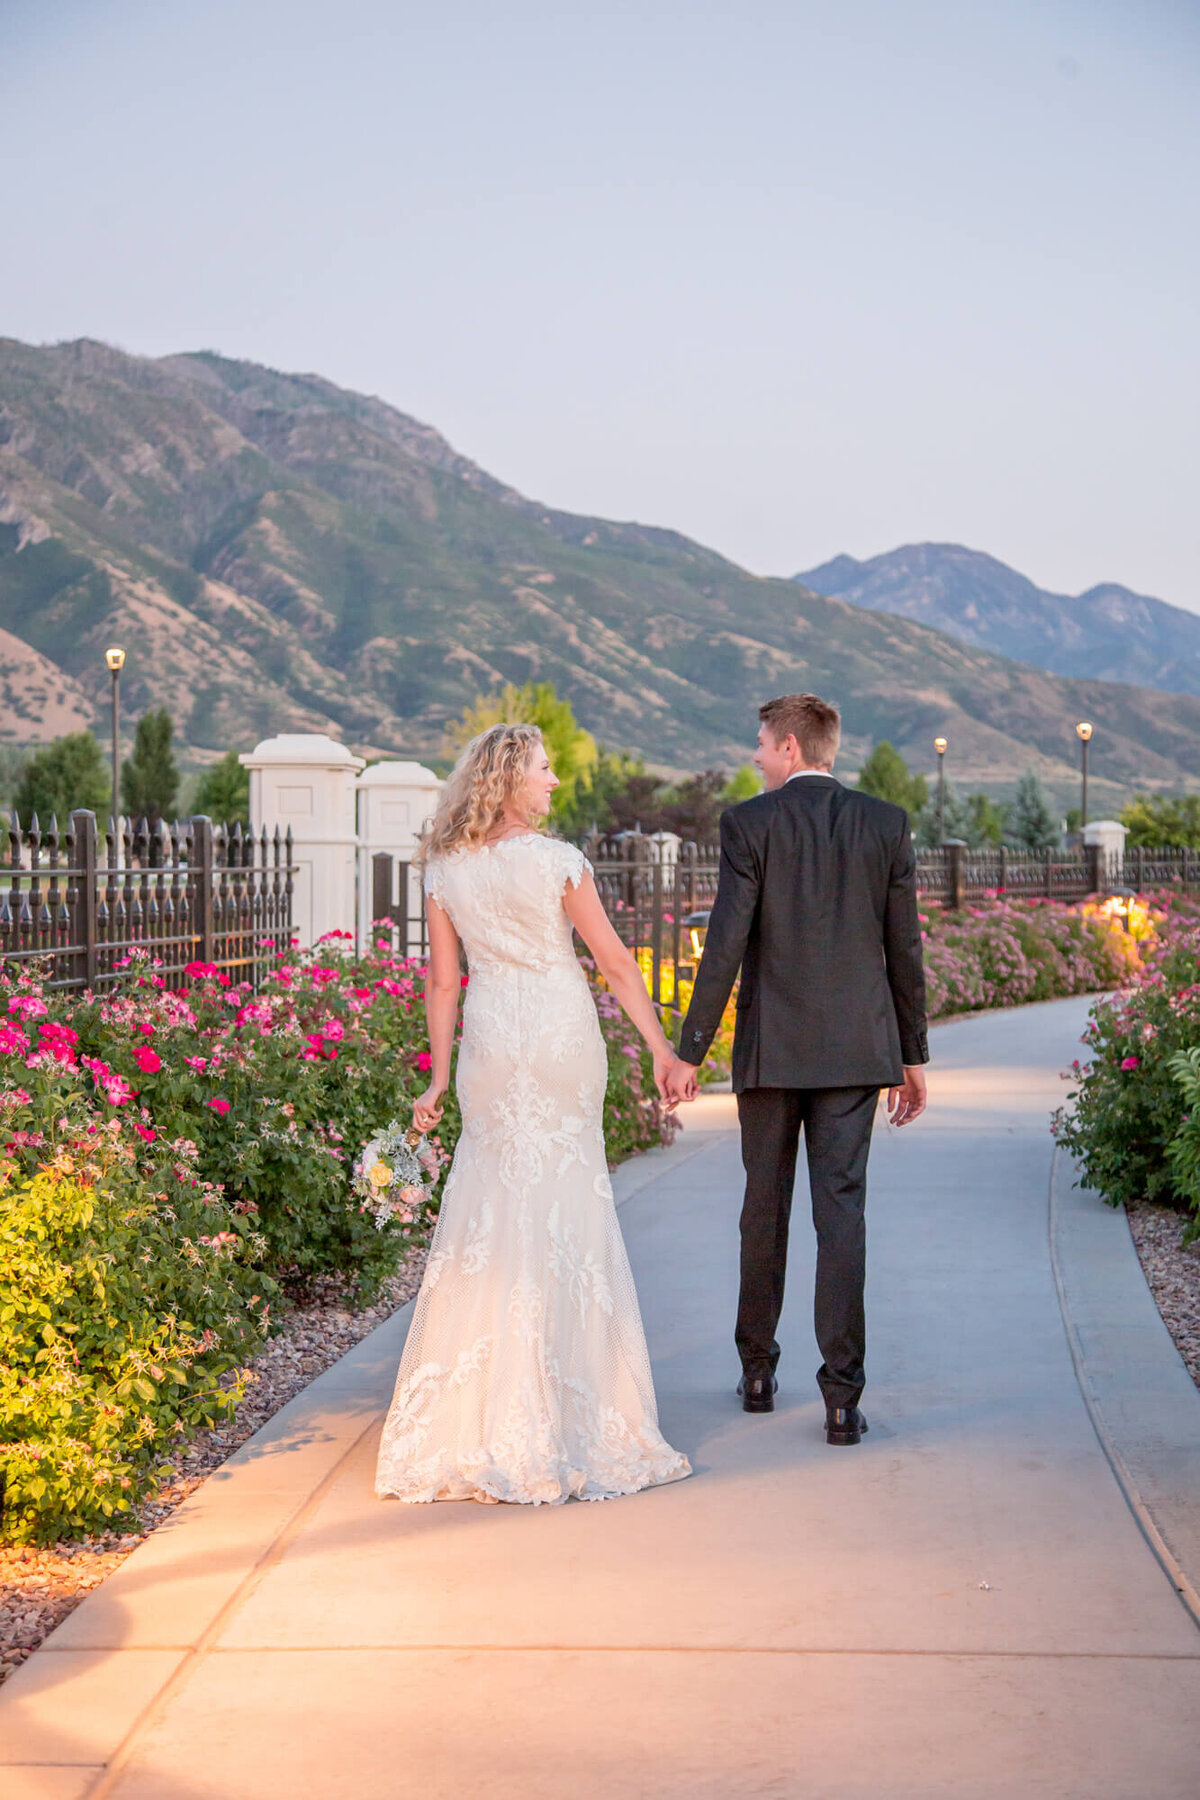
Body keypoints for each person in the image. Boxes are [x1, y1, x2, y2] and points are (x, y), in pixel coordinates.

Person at [375, 723, 691, 1505]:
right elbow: (615, 964)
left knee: (490, 1207)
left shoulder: (446, 869)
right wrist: (660, 1048)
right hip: (557, 1039)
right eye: (545, 771)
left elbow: (443, 985)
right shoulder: (558, 864)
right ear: (512, 779)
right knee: (568, 1205)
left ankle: (482, 1418)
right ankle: (570, 1412)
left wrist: (438, 1078)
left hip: (490, 1046)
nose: (554, 783)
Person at [666, 693, 928, 1445]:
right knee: (841, 1216)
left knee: (764, 1207)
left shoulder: (750, 823)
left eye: (759, 745)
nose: (754, 757)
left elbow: (724, 943)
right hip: (855, 1053)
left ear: (788, 746)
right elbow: (903, 951)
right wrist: (910, 1057)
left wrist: (691, 1051)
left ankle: (757, 1371)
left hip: (771, 1051)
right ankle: (842, 1399)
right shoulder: (886, 824)